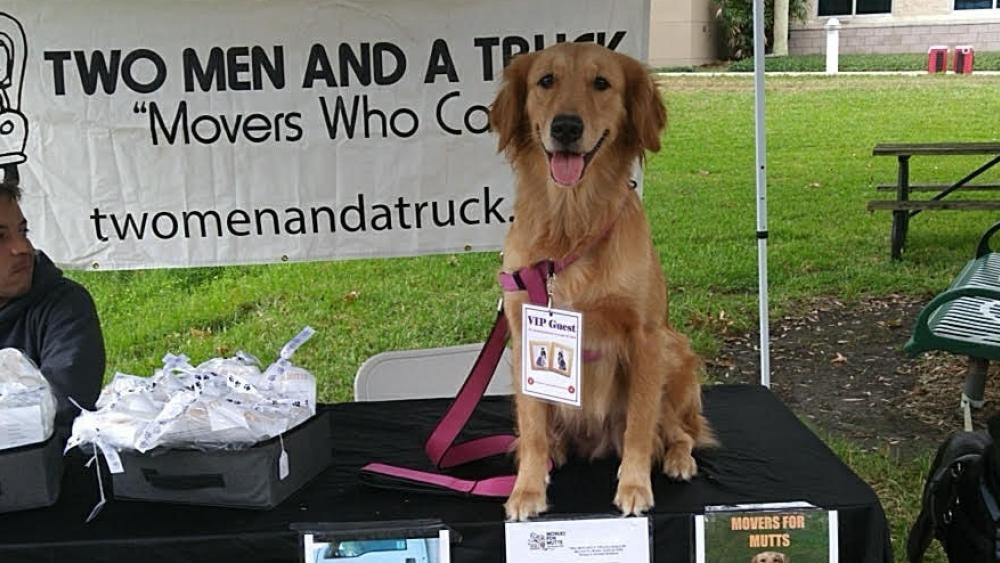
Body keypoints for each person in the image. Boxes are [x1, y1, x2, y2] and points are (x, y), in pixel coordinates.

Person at [0, 181, 105, 434]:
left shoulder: (64, 304)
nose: (22, 248)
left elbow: (62, 401)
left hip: (43, 469)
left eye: (23, 232)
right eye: (0, 238)